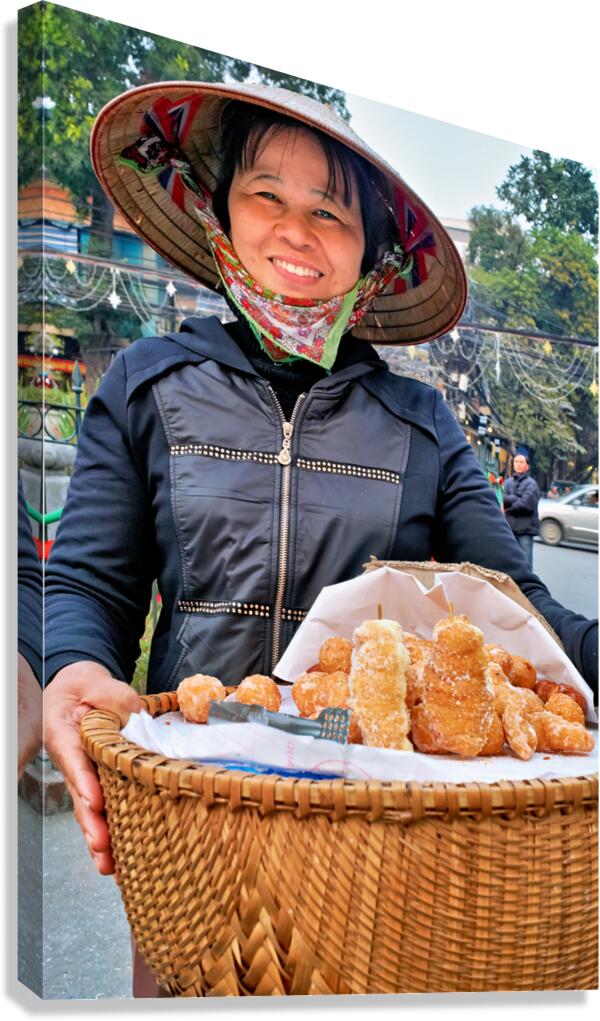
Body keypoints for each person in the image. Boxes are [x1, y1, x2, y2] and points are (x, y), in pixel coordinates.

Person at [42, 82, 598, 995]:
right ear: (220, 209)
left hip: (371, 843)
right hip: (192, 816)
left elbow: (510, 605)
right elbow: (94, 588)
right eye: (267, 195)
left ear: (374, 257)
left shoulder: (422, 423)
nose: (295, 231)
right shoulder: (148, 385)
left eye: (330, 212)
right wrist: (71, 670)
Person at [502, 450, 540, 569]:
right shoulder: (507, 483)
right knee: (508, 560)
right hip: (510, 529)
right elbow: (502, 498)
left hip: (525, 529)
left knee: (525, 563)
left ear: (527, 466)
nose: (518, 464)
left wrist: (509, 507)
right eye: (516, 462)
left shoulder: (531, 484)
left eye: (521, 462)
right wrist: (516, 498)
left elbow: (526, 504)